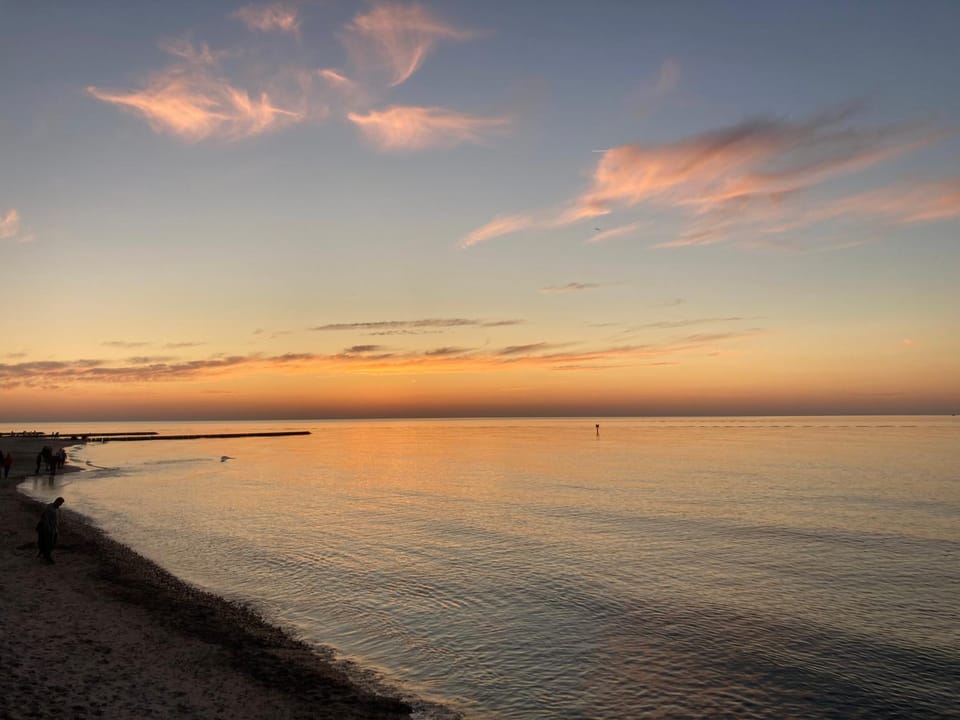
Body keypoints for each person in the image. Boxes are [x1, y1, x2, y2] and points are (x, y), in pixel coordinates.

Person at [36, 497, 64, 563]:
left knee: (52, 543)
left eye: (61, 504)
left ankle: (44, 554)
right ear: (56, 501)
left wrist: (57, 528)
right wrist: (48, 529)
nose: (60, 505)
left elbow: (56, 519)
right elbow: (46, 519)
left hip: (54, 529)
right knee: (49, 543)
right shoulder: (49, 508)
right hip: (49, 529)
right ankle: (47, 557)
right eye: (60, 503)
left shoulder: (56, 508)